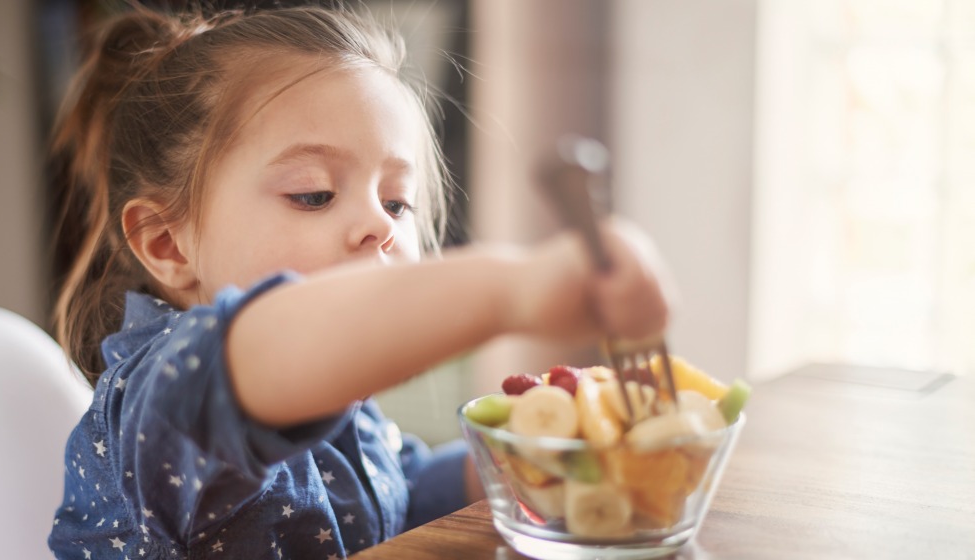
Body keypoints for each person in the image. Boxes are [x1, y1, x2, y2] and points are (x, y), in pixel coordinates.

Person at [47, 4, 673, 559]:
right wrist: (514, 286)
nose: (380, 224)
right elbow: (275, 344)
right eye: (314, 194)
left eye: (398, 203)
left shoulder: (342, 402)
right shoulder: (161, 399)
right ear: (166, 243)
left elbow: (397, 495)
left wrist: (524, 456)